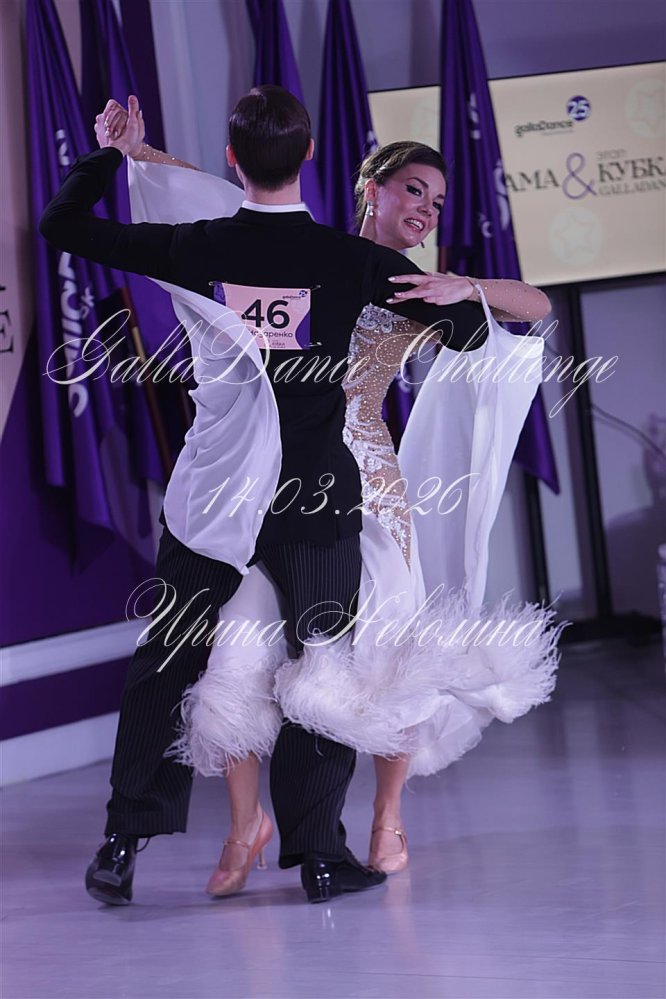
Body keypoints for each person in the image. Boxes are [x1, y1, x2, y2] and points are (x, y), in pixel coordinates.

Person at [39, 86, 491, 906]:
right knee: (323, 666)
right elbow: (468, 334)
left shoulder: (196, 244)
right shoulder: (352, 260)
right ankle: (319, 856)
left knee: (166, 656)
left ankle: (122, 842)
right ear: (311, 155)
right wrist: (454, 291)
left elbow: (61, 226)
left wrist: (109, 153)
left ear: (232, 159)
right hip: (315, 497)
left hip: (217, 493)